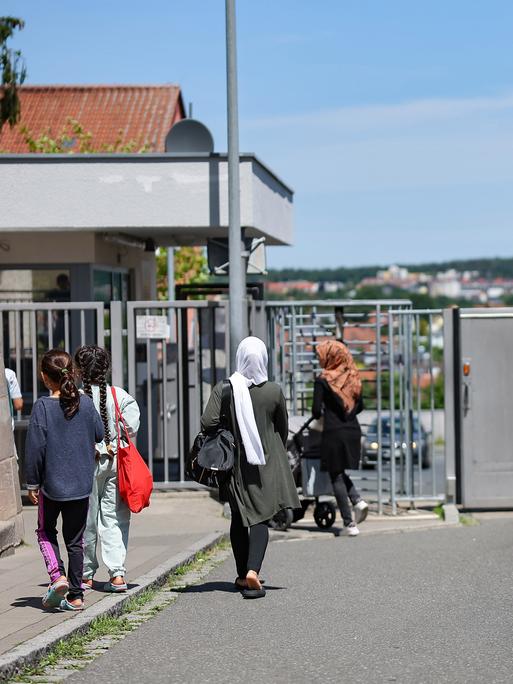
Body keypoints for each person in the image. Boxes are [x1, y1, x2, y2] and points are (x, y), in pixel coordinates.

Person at [201, 336, 300, 599]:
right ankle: (253, 570)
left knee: (238, 517)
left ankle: (242, 574)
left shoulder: (226, 388)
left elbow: (207, 422)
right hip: (265, 463)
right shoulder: (274, 391)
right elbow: (282, 427)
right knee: (260, 517)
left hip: (234, 465)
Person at [25, 349, 104, 611]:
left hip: (51, 486)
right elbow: (100, 434)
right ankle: (77, 595)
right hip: (81, 486)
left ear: (45, 378)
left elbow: (36, 449)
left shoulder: (42, 407)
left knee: (45, 531)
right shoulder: (87, 404)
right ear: (72, 373)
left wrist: (32, 482)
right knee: (76, 541)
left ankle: (57, 576)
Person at [74, 345, 140, 593]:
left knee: (86, 520)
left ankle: (86, 575)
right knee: (114, 519)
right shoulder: (120, 396)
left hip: (84, 464)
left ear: (79, 371)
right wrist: (111, 445)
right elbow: (131, 430)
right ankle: (117, 575)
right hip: (115, 463)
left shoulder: (76, 398)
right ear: (106, 369)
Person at [312, 339, 369, 537]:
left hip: (334, 432)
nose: (319, 358)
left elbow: (315, 411)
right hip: (353, 430)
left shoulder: (323, 380)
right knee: (340, 471)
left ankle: (349, 523)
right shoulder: (353, 377)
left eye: (321, 355)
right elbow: (360, 406)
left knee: (335, 475)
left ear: (330, 356)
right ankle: (357, 500)